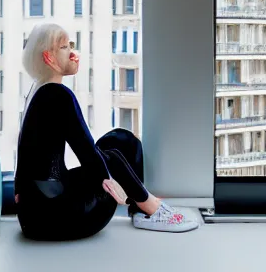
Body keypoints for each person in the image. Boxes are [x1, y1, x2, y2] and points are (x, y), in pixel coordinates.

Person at [15, 23, 199, 240]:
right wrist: (108, 178)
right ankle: (152, 208)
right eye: (65, 48)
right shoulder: (58, 94)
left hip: (36, 215)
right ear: (50, 58)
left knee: (121, 140)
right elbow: (86, 151)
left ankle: (140, 209)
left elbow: (24, 158)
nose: (74, 54)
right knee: (110, 159)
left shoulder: (39, 92)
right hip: (55, 217)